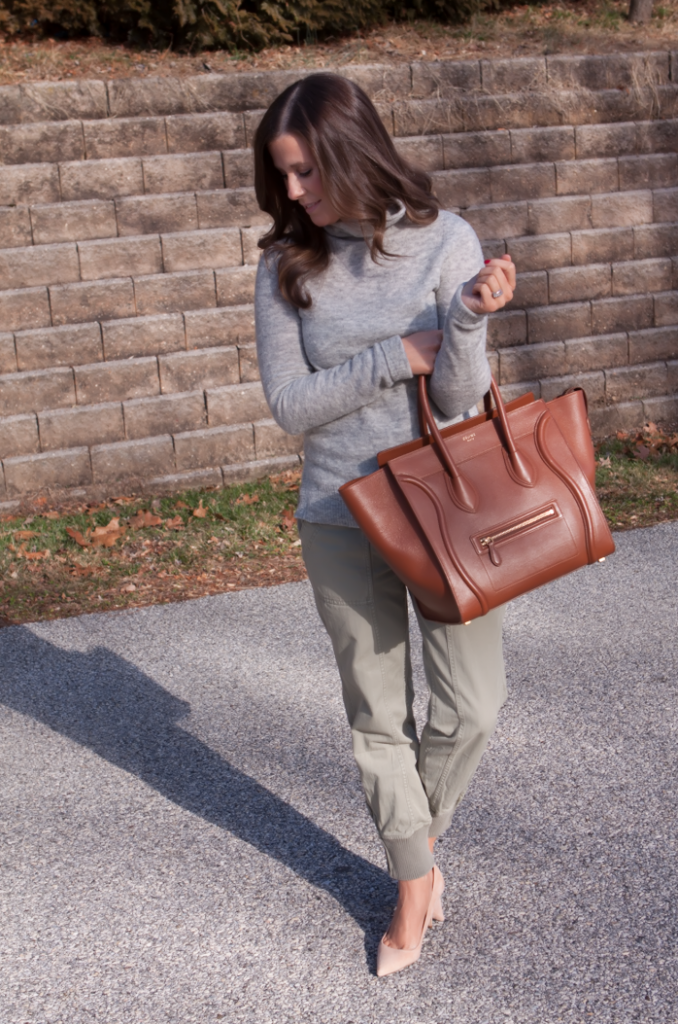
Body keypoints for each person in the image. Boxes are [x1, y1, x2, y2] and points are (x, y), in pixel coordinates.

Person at [253, 72, 516, 977]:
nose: (293, 193)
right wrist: (391, 355)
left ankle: (417, 845)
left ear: (350, 153)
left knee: (474, 706)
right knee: (378, 716)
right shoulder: (287, 263)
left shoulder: (447, 244)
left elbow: (456, 394)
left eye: (304, 172)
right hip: (337, 510)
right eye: (281, 176)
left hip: (442, 506)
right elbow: (291, 407)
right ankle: (413, 883)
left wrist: (469, 323)